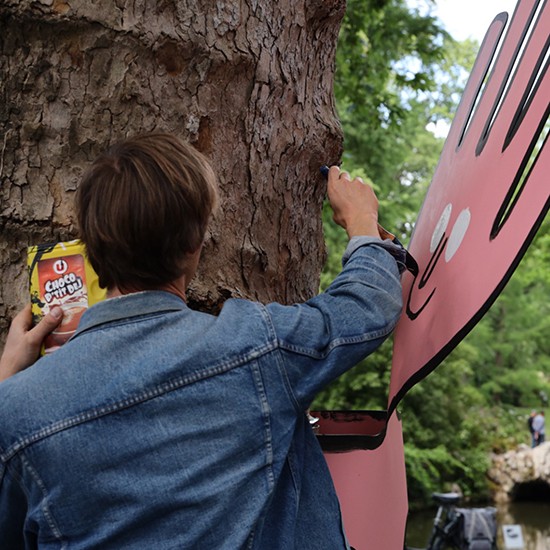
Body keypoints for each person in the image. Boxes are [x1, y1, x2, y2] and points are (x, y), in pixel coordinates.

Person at [0, 133, 405, 549]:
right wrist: (362, 222)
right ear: (195, 244)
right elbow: (365, 307)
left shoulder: (16, 411)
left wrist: (7, 379)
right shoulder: (255, 347)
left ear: (90, 250)